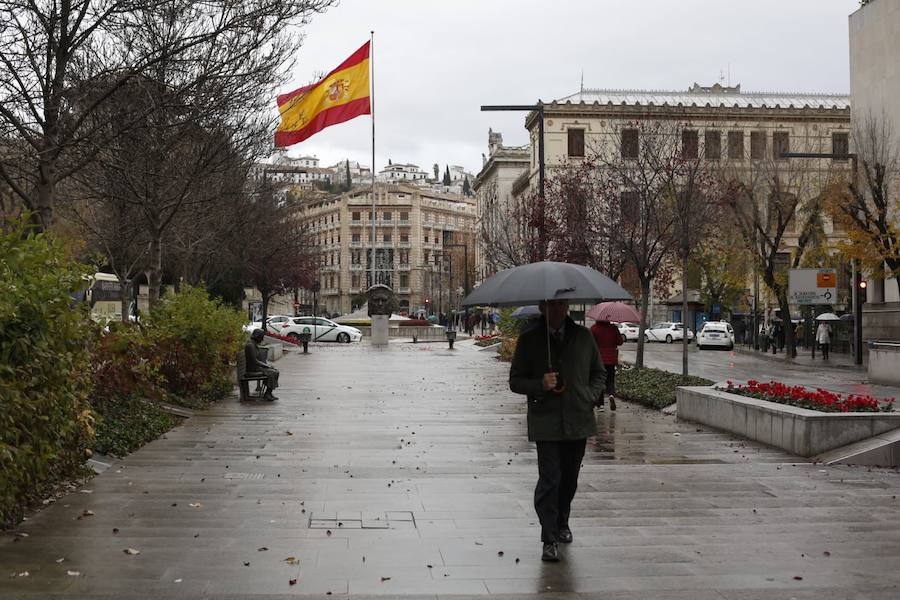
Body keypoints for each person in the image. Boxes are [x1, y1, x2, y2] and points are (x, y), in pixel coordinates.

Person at [509, 299, 605, 563]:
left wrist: (589, 395)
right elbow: (515, 381)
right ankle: (548, 538)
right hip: (546, 421)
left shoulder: (584, 337)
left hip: (578, 418)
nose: (558, 310)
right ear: (542, 307)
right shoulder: (530, 339)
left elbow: (599, 373)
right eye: (552, 305)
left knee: (569, 478)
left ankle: (563, 521)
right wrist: (540, 383)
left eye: (561, 305)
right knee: (550, 479)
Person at [590, 320, 623, 411]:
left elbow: (590, 343)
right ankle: (611, 394)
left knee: (599, 380)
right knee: (610, 379)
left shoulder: (594, 328)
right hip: (611, 359)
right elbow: (620, 341)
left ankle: (600, 405)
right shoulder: (613, 328)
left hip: (598, 359)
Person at [245, 329, 279, 401]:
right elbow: (255, 361)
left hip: (256, 367)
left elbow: (258, 360)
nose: (262, 339)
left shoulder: (253, 344)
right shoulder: (250, 345)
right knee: (273, 372)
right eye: (261, 337)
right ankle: (267, 394)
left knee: (275, 371)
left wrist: (267, 366)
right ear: (257, 337)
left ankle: (268, 393)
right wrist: (267, 366)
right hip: (252, 369)